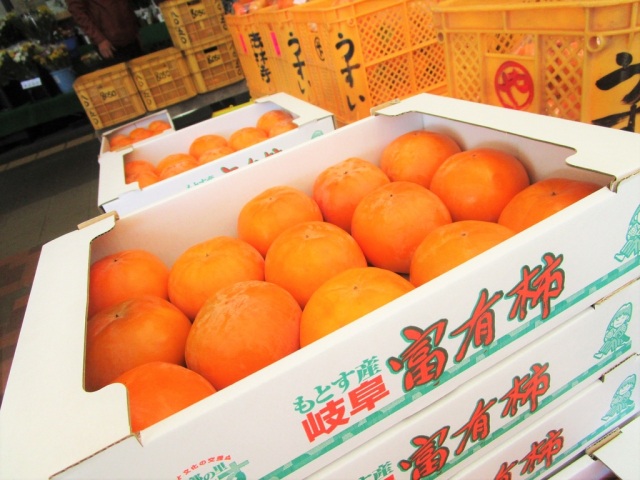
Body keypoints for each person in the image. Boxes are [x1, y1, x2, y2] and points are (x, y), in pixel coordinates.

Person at [66, 0, 144, 65]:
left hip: (130, 36)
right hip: (110, 43)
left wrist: (134, 29)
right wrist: (99, 39)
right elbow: (77, 12)